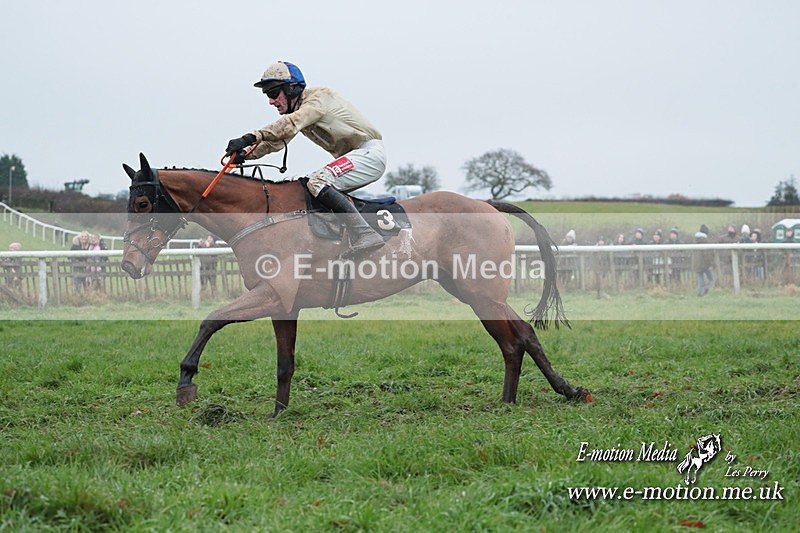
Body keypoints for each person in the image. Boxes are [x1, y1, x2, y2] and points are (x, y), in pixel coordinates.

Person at [225, 61, 385, 257]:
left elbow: (290, 124)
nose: (271, 101)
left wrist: (251, 137)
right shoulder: (300, 112)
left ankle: (366, 233)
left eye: (273, 93)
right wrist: (245, 153)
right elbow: (277, 142)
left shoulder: (318, 99)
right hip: (355, 157)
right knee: (306, 186)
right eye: (267, 95)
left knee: (317, 181)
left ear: (291, 89)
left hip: (369, 154)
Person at [692, 229, 714, 296]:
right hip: (705, 265)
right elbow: (707, 255)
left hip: (697, 264)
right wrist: (710, 264)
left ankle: (699, 293)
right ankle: (706, 289)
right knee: (711, 279)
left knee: (700, 280)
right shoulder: (705, 242)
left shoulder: (695, 242)